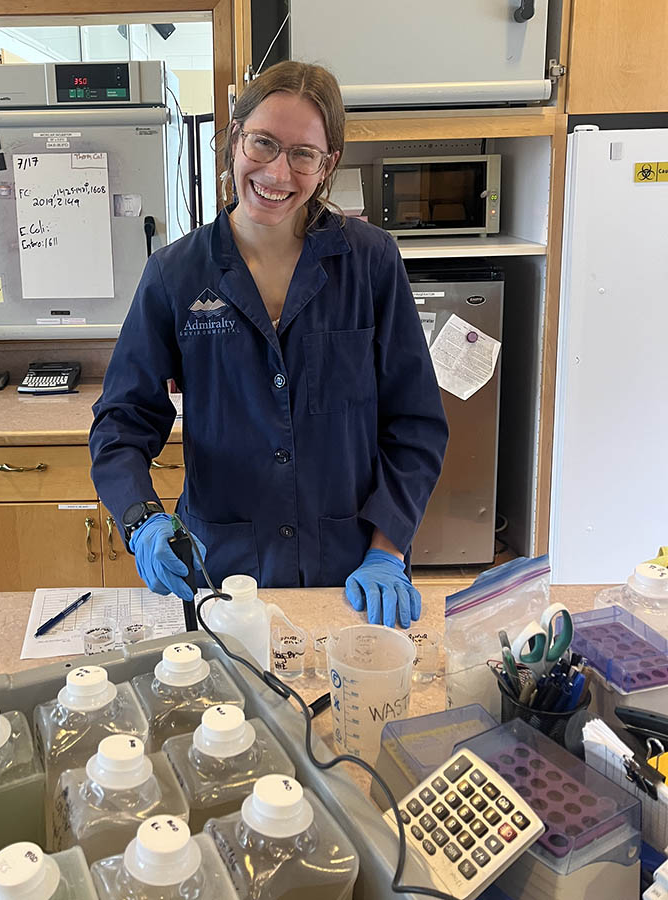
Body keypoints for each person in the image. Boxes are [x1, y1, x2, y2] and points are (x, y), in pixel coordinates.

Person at [89, 61, 448, 629]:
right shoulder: (175, 275)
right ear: (234, 140)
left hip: (350, 572)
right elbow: (121, 421)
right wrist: (143, 520)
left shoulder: (372, 262)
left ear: (327, 164)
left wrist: (387, 549)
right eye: (263, 143)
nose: (278, 171)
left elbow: (415, 423)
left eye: (304, 153)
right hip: (222, 575)